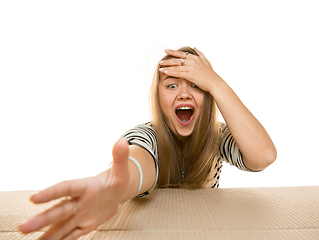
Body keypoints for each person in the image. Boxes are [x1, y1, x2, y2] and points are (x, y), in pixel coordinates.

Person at [19, 46, 277, 239]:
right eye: (172, 86)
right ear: (159, 97)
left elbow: (263, 155)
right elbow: (138, 162)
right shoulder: (147, 134)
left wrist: (216, 83)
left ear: (208, 95)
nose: (184, 93)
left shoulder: (218, 137)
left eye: (196, 85)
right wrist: (115, 187)